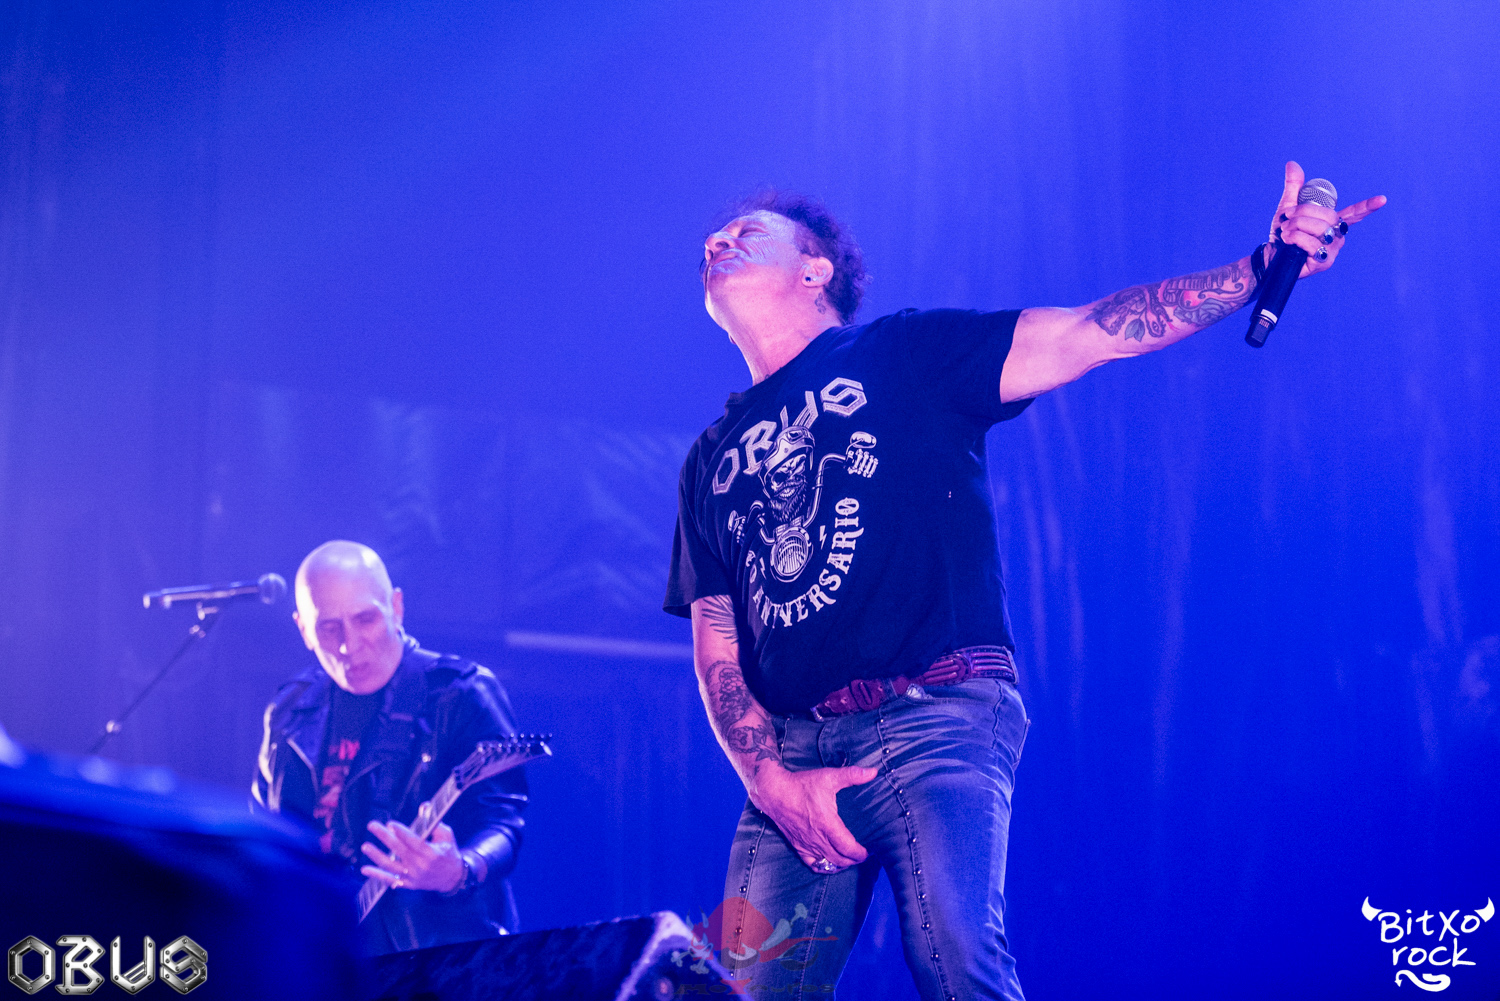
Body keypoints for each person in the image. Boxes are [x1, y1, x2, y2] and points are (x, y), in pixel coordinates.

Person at [664, 165, 1385, 999]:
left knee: (957, 954)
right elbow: (716, 645)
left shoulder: (902, 352)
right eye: (714, 238)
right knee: (739, 988)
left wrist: (1256, 269)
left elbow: (1091, 330)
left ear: (814, 268)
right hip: (791, 752)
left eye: (747, 232)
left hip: (932, 715)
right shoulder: (709, 458)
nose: (719, 241)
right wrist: (769, 781)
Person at [253, 540, 528, 955]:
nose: (349, 645)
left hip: (439, 959)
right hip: (322, 955)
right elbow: (265, 836)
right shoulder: (290, 710)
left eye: (365, 619)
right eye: (329, 628)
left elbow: (503, 822)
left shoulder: (460, 694)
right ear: (303, 629)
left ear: (396, 608)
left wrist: (459, 871)